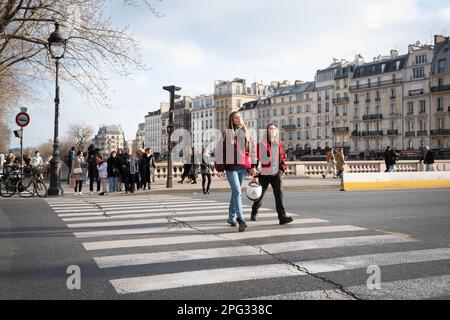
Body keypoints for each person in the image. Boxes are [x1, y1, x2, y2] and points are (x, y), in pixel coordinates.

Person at [215, 111, 258, 232]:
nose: (239, 119)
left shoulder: (247, 133)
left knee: (235, 193)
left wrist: (253, 166)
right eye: (236, 118)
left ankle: (231, 217)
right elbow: (219, 151)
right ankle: (241, 219)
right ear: (232, 120)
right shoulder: (227, 134)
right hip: (231, 167)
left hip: (242, 167)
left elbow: (252, 151)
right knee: (237, 191)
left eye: (239, 117)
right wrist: (219, 169)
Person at [250, 124, 293, 225]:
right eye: (270, 128)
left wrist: (282, 169)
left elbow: (281, 157)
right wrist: (254, 173)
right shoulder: (262, 143)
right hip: (265, 172)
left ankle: (282, 217)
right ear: (267, 131)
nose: (273, 130)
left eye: (274, 128)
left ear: (277, 131)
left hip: (276, 172)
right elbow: (255, 158)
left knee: (279, 194)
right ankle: (254, 211)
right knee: (260, 195)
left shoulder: (278, 143)